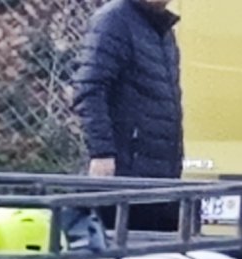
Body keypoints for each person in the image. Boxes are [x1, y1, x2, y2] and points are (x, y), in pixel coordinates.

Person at [72, 0, 183, 231]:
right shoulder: (115, 20)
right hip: (124, 175)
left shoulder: (161, 29)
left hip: (160, 177)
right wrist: (102, 153)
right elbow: (89, 88)